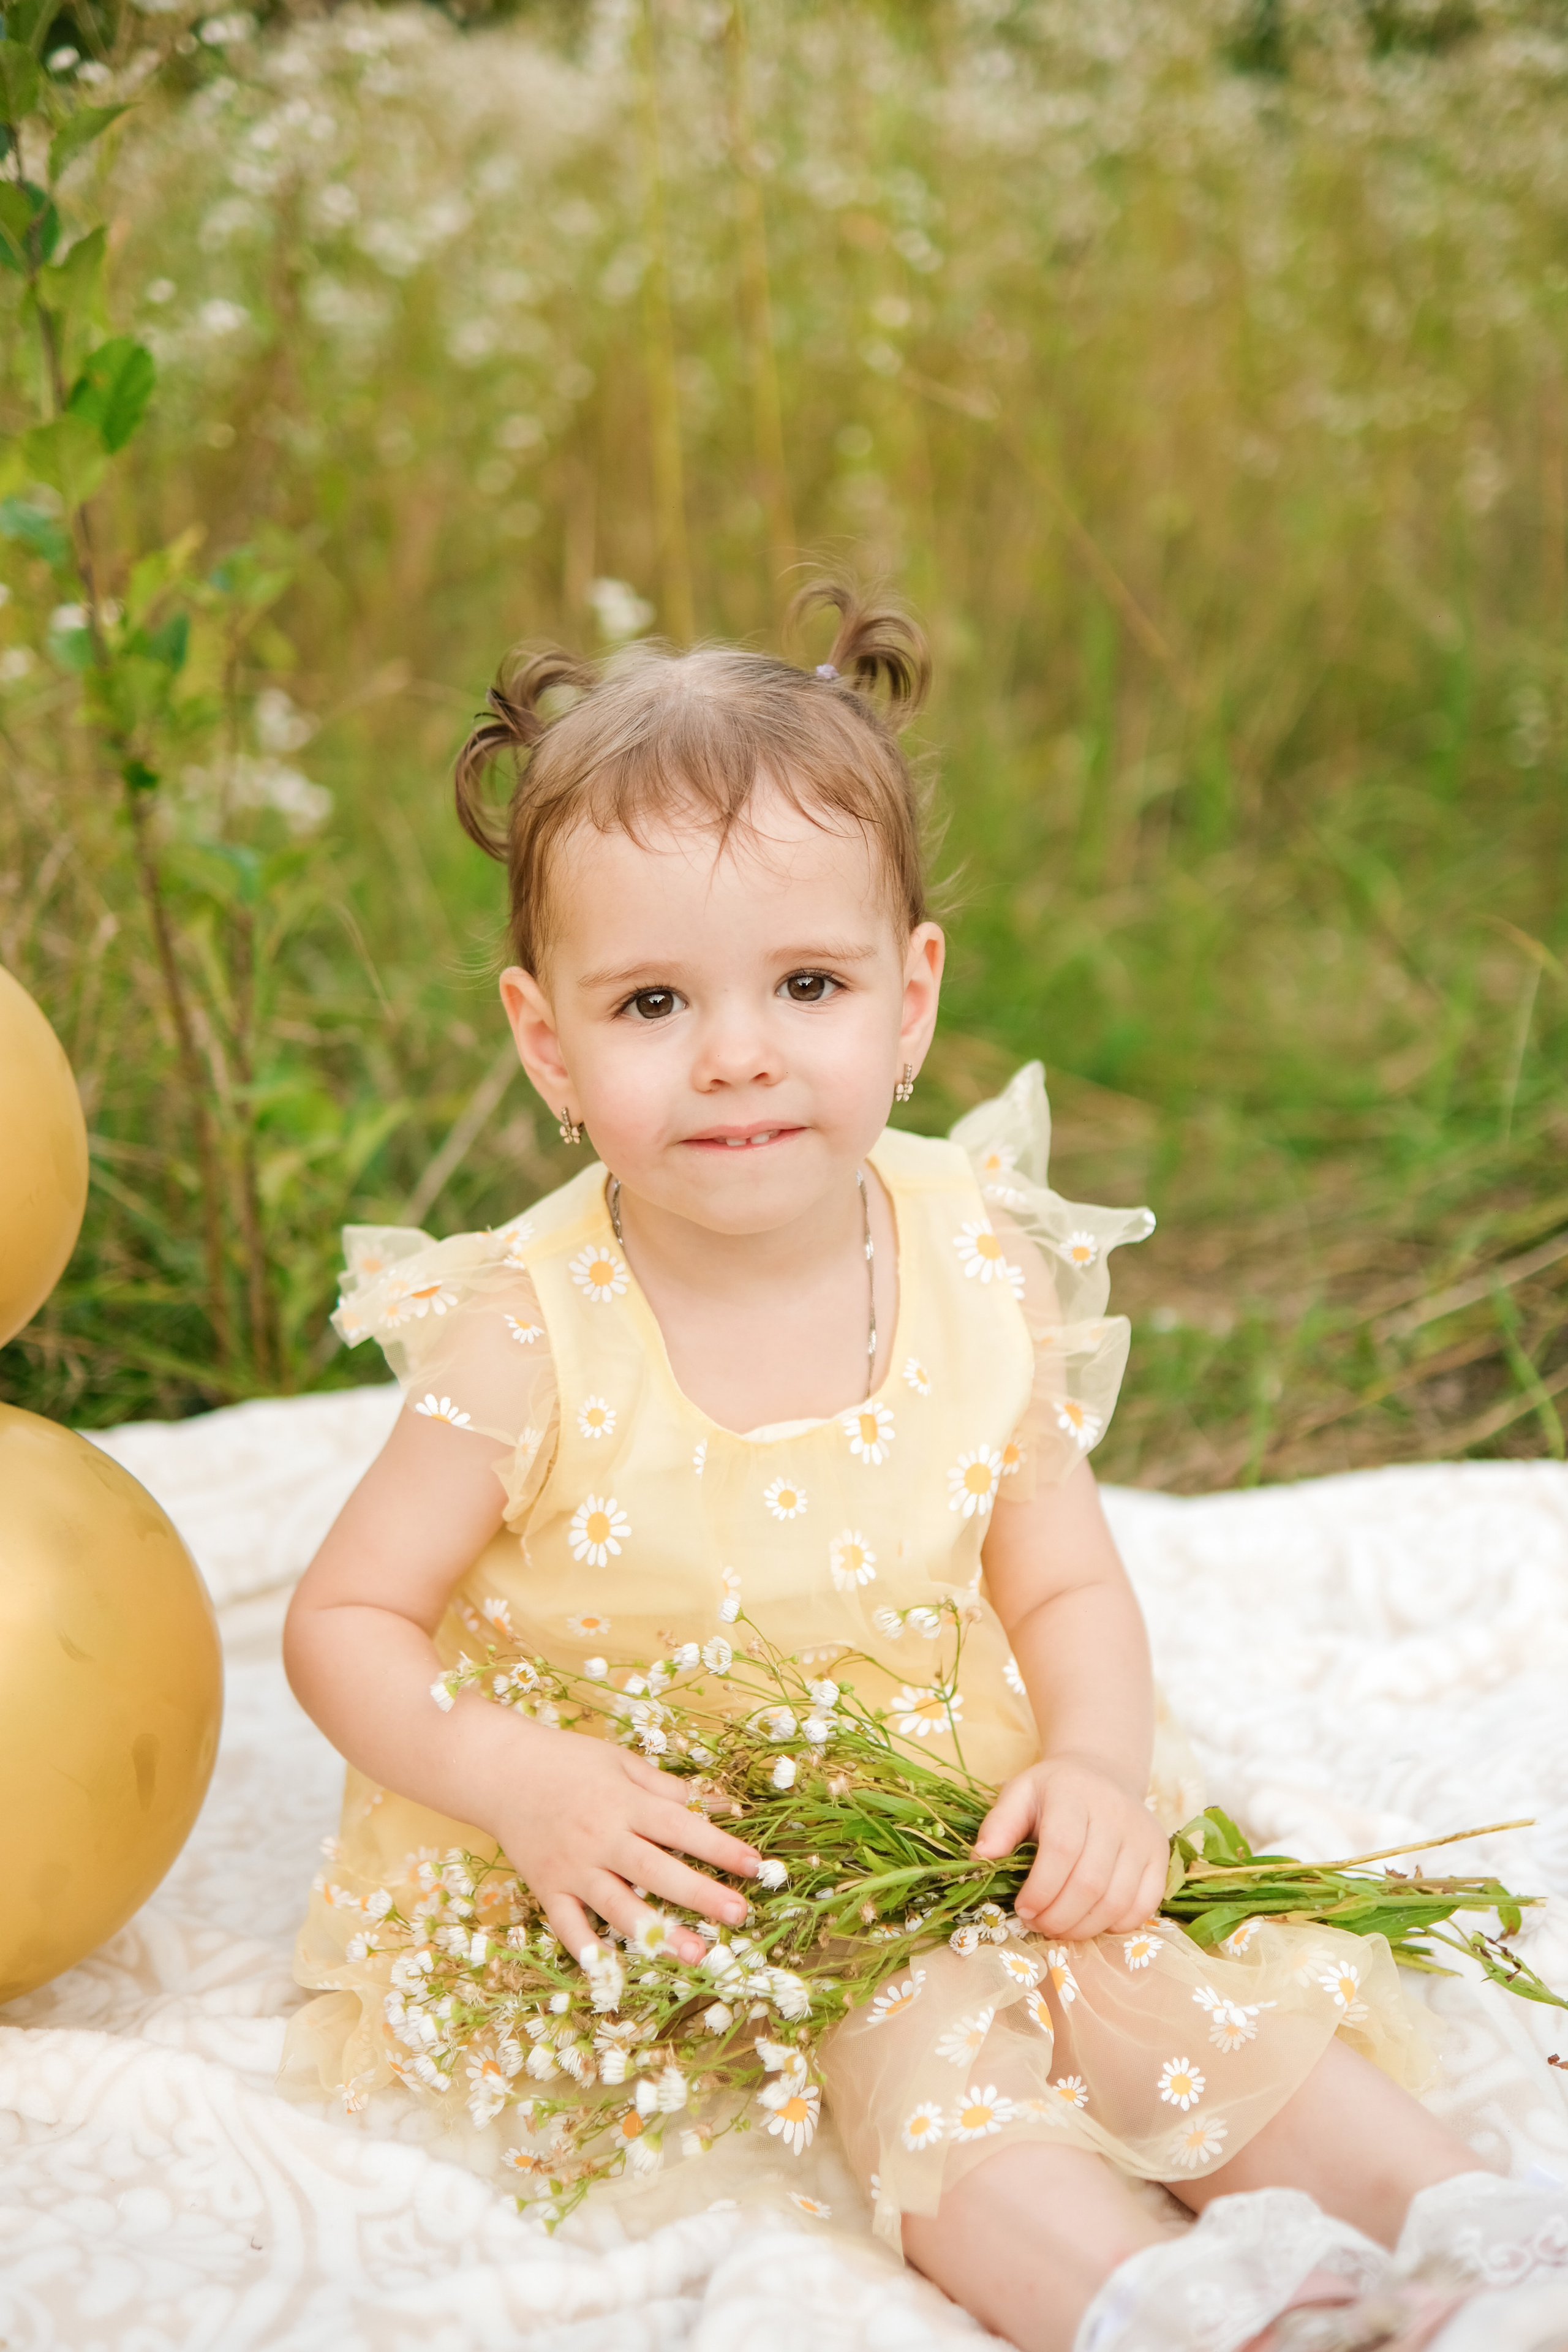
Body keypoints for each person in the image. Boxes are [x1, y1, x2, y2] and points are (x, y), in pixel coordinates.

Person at [282, 586, 1568, 2352]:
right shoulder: (534, 1328)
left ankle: (1464, 2231)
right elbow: (348, 1615)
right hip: (707, 1852)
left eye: (806, 984)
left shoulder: (972, 1254)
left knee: (1149, 1969)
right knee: (914, 2030)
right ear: (546, 1044)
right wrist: (515, 1780)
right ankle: (1155, 2302)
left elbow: (1060, 1575)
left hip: (944, 1784)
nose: (738, 1051)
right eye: (653, 1001)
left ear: (911, 998)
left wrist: (1101, 1767)